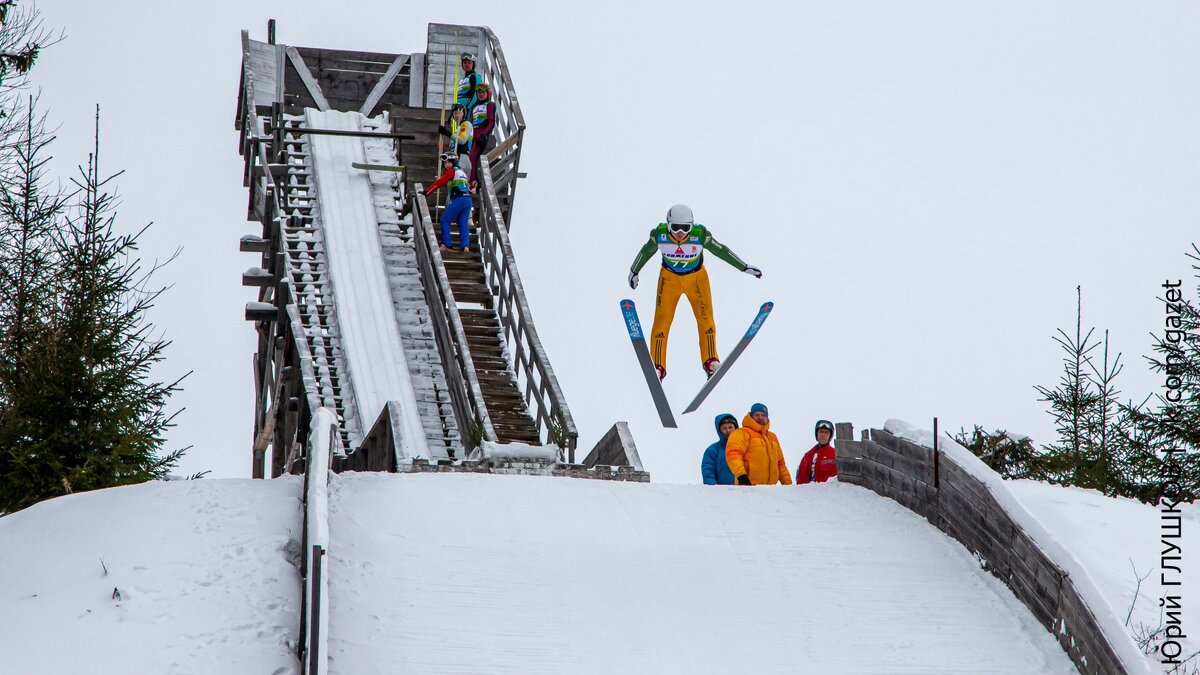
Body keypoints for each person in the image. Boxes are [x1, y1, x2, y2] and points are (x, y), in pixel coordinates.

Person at [627, 204, 762, 380]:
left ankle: (710, 361)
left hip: (696, 280)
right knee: (662, 321)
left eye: (686, 228)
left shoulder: (699, 236)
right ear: (668, 225)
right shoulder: (659, 235)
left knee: (706, 319)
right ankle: (658, 367)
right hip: (669, 280)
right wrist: (634, 270)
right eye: (675, 227)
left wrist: (743, 267)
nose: (681, 233)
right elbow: (646, 251)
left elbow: (720, 250)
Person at [726, 403, 791, 486]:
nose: (760, 417)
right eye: (757, 415)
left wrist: (788, 485)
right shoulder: (742, 432)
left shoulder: (772, 437)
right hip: (747, 487)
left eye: (763, 415)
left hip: (770, 490)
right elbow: (733, 454)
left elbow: (780, 464)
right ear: (751, 416)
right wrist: (741, 475)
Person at [422, 152, 473, 253]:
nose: (446, 165)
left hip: (458, 199)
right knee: (463, 223)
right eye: (445, 163)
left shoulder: (452, 171)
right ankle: (465, 246)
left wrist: (427, 192)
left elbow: (440, 182)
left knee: (445, 220)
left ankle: (447, 244)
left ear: (454, 162)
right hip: (467, 200)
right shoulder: (461, 172)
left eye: (449, 162)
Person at [467, 82, 497, 187]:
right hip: (472, 135)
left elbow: (491, 122)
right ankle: (471, 180)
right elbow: (470, 122)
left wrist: (485, 134)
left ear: (487, 93)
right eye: (479, 92)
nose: (481, 94)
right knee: (468, 157)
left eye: (483, 92)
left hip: (481, 135)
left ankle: (473, 182)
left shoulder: (489, 105)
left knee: (473, 157)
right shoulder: (475, 107)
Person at [701, 413, 739, 485]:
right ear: (719, 431)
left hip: (744, 493)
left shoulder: (745, 447)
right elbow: (708, 473)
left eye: (730, 427)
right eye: (724, 428)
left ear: (736, 428)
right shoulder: (712, 450)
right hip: (721, 494)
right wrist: (714, 491)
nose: (728, 430)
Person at [797, 419, 838, 484]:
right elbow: (800, 479)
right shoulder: (807, 456)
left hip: (829, 493)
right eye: (821, 432)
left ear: (830, 436)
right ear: (817, 434)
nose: (823, 435)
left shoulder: (835, 455)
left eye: (826, 432)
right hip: (808, 492)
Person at [437, 103, 473, 176]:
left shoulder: (466, 124)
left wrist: (447, 133)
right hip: (457, 157)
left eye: (459, 113)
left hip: (462, 157)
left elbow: (462, 140)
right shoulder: (458, 128)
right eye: (455, 113)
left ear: (464, 113)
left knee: (457, 180)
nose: (457, 115)